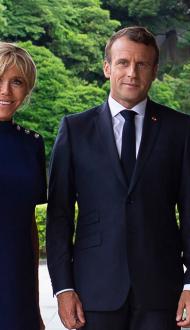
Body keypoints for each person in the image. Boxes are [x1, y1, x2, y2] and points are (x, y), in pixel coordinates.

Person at [46, 26, 190, 330]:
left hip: (162, 291)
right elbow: (59, 216)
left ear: (154, 71)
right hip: (93, 291)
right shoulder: (74, 129)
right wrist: (63, 288)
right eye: (123, 63)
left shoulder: (179, 128)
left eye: (142, 64)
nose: (132, 72)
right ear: (107, 68)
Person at [0, 42, 46, 330]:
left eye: (16, 81)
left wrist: (34, 303)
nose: (6, 90)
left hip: (17, 287)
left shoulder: (32, 144)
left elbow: (29, 227)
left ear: (26, 90)